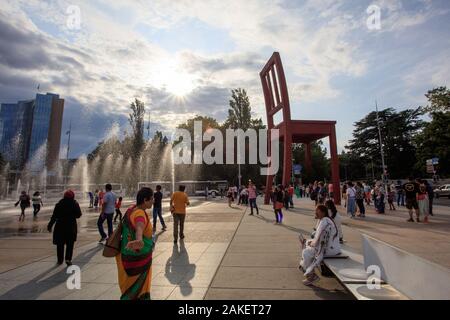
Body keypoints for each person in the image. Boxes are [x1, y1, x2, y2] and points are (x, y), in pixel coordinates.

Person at [116, 187, 154, 300]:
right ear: (145, 200)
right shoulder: (140, 214)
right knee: (138, 290)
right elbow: (139, 226)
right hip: (138, 260)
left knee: (129, 289)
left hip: (126, 257)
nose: (153, 201)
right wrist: (139, 240)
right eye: (151, 199)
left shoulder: (131, 209)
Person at [299, 205, 341, 286]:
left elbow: (317, 241)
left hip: (329, 250)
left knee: (306, 252)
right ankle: (307, 269)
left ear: (323, 212)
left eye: (317, 211)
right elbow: (318, 238)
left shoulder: (324, 222)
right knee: (307, 244)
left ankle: (311, 276)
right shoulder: (326, 220)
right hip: (333, 247)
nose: (315, 213)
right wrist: (310, 242)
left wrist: (310, 243)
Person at [47, 190, 82, 266]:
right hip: (71, 226)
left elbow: (54, 216)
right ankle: (68, 259)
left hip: (60, 226)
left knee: (60, 244)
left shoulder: (59, 204)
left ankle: (60, 260)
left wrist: (50, 226)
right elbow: (79, 215)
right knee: (70, 244)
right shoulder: (75, 204)